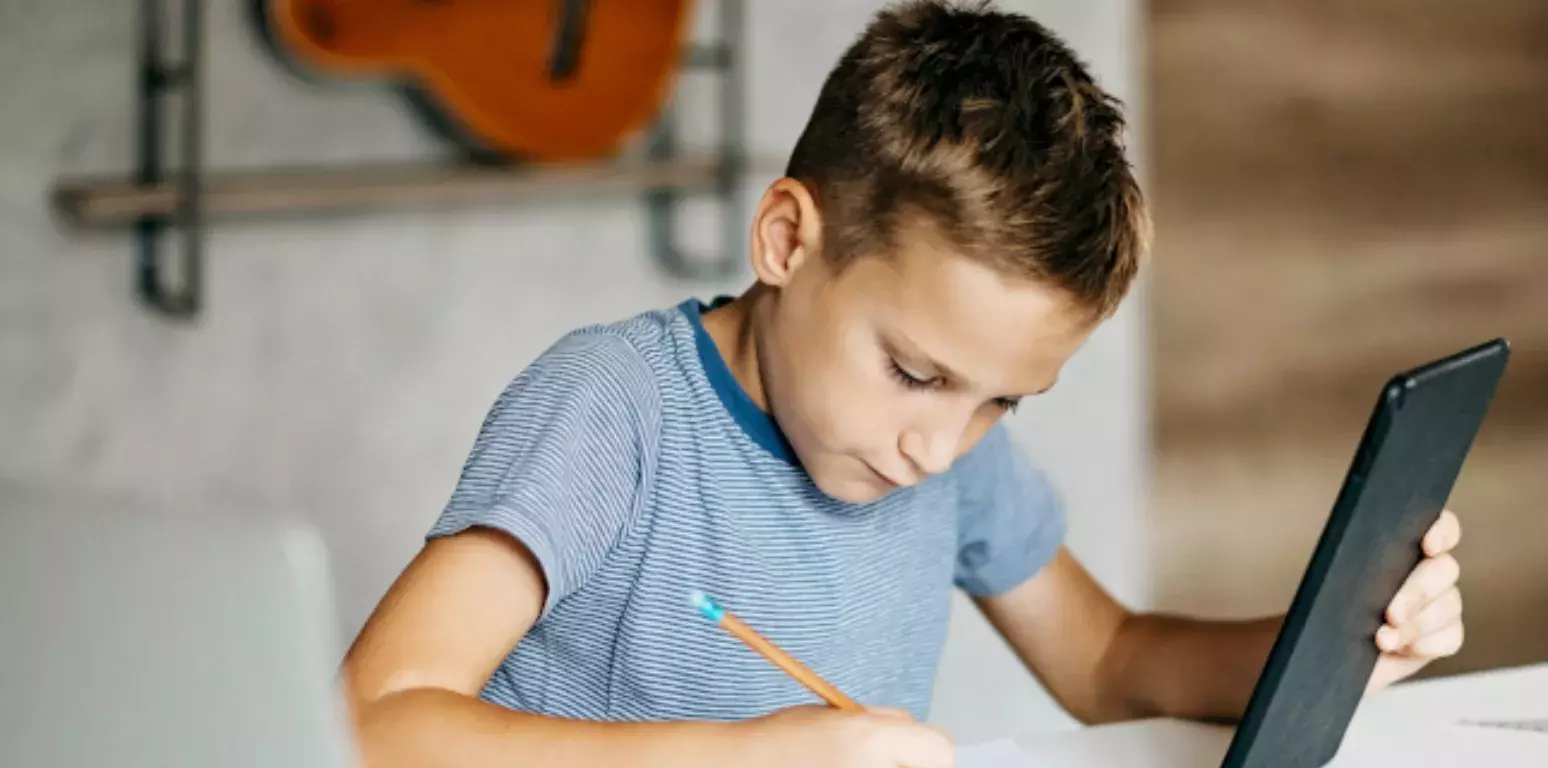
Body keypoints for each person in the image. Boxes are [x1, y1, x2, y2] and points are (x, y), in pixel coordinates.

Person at [339, 2, 1467, 767]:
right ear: (787, 239)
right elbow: (371, 720)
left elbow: (1109, 663)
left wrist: (1338, 641)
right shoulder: (615, 410)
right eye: (915, 372)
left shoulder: (936, 451)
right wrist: (743, 759)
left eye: (998, 402)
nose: (940, 446)